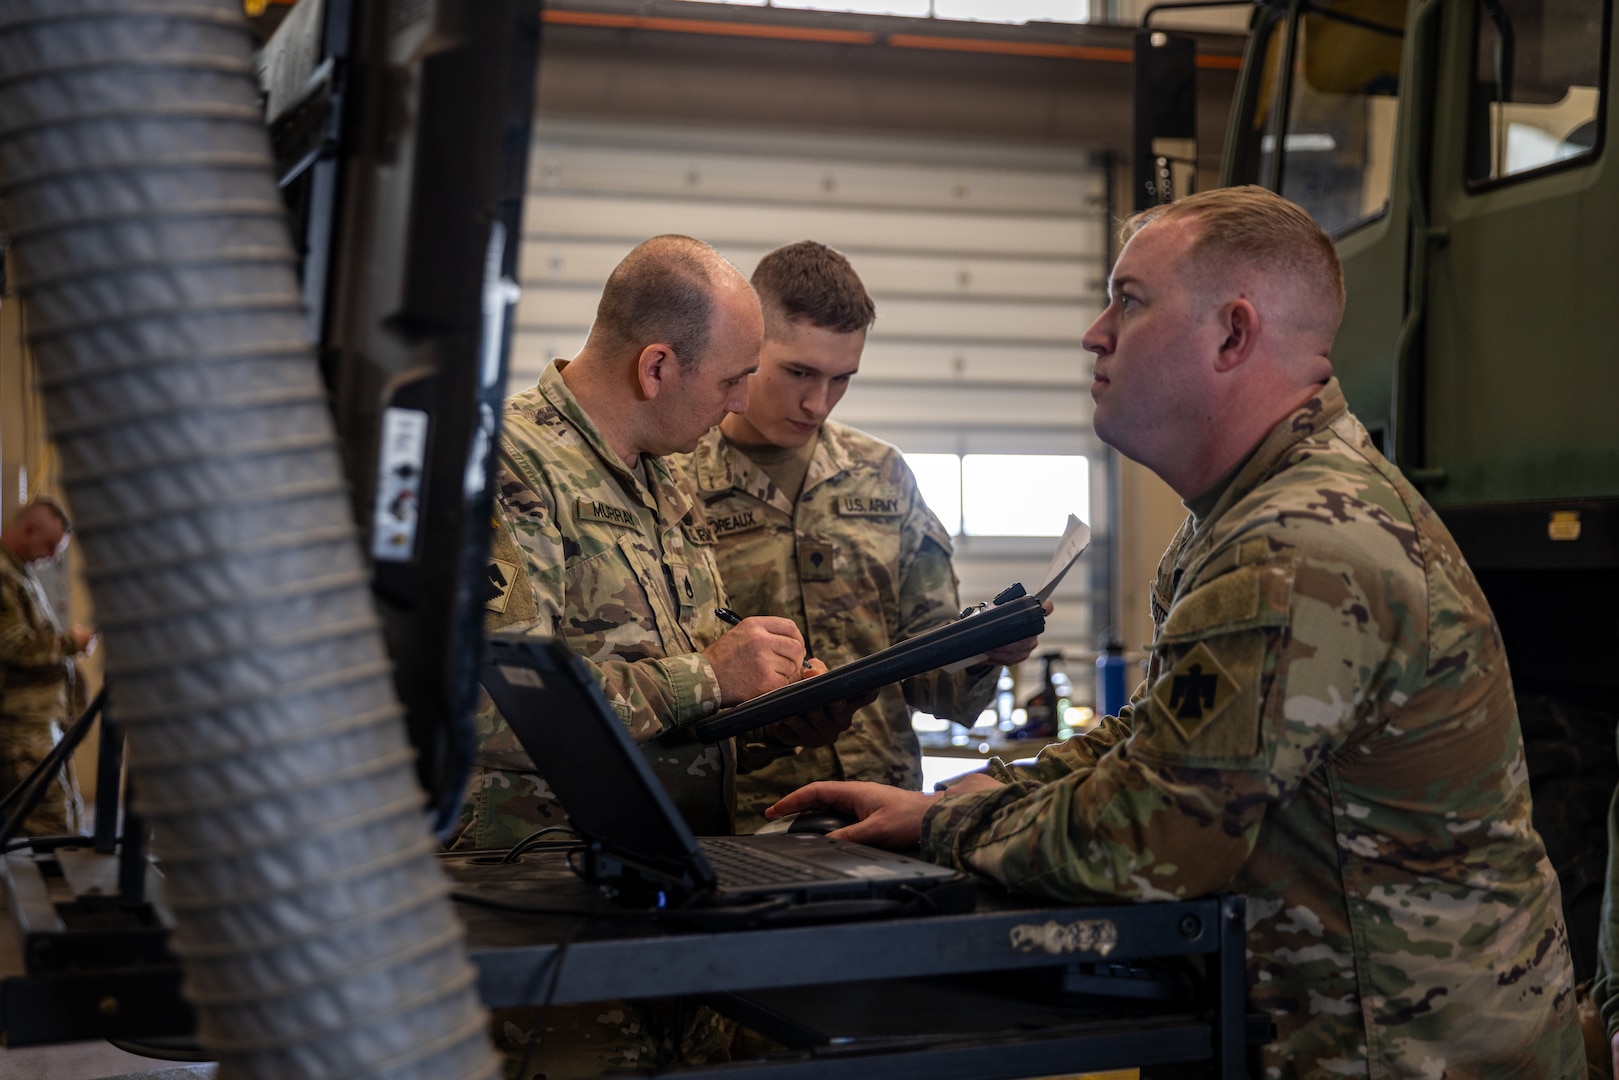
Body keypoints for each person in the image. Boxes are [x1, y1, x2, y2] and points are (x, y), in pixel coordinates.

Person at [769, 187, 1583, 1075]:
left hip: (1395, 1051)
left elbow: (1145, 839)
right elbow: (1160, 742)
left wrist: (944, 830)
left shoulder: (1294, 543)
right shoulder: (1242, 517)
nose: (1094, 331)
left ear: (1231, 335)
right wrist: (963, 796)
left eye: (1129, 299)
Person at [679, 240, 1043, 831]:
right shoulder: (675, 476)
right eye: (799, 372)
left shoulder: (884, 474)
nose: (817, 402)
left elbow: (935, 687)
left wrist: (982, 651)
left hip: (879, 812)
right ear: (749, 347)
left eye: (841, 378)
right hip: (736, 819)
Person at [0, 499, 93, 836]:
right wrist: (71, 643)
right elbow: (14, 645)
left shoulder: (19, 573)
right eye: (51, 546)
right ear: (28, 530)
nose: (53, 558)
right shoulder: (2, 574)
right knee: (49, 824)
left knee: (66, 813)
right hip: (20, 726)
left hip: (40, 722)